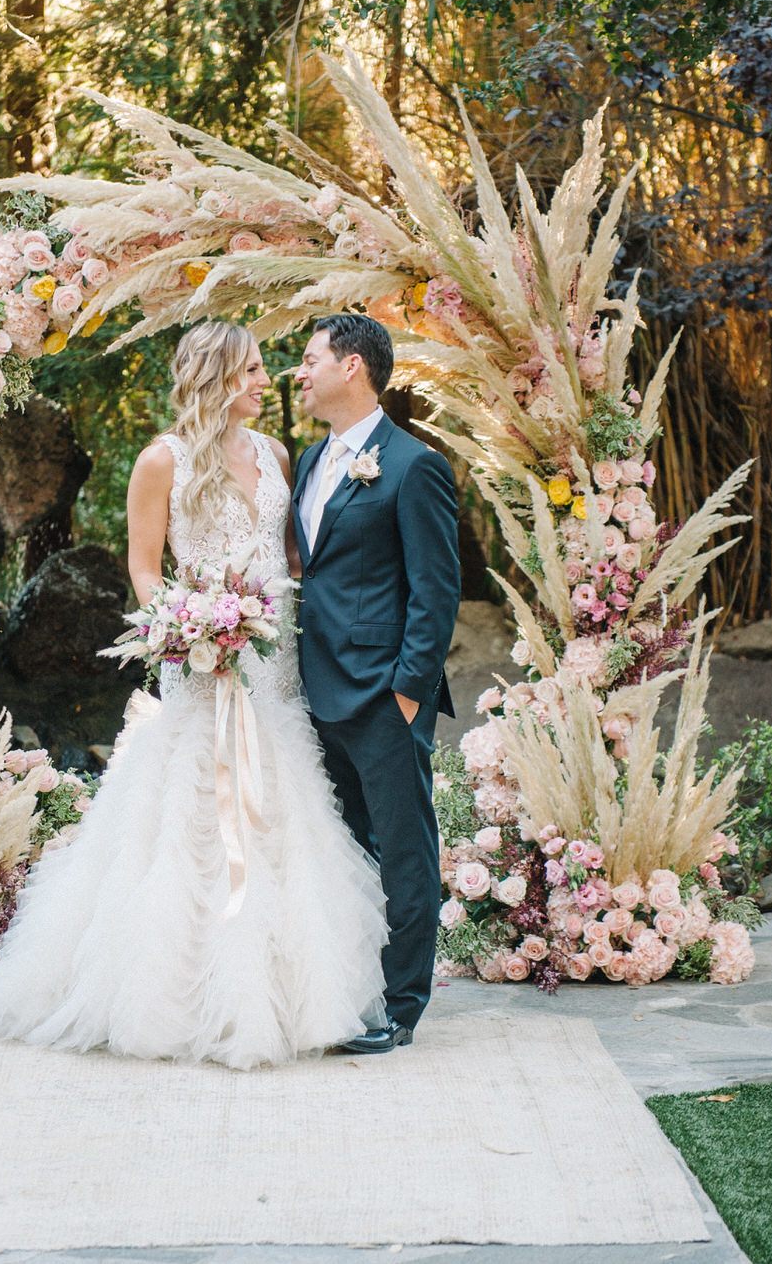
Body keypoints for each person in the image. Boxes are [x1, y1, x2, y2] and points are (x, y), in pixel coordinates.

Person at [0, 320, 388, 1070]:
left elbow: (287, 556)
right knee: (184, 816)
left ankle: (294, 995)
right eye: (253, 369)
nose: (268, 380)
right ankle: (180, 995)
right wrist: (187, 625)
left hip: (272, 661)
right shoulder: (161, 461)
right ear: (219, 376)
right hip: (198, 663)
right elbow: (145, 563)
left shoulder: (277, 454)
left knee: (282, 810)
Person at [293, 314, 460, 1054]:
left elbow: (436, 590)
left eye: (310, 359)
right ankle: (352, 992)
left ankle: (402, 1006)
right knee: (345, 850)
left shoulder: (412, 465)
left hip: (382, 694)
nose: (300, 372)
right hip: (311, 691)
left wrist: (407, 691)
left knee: (402, 848)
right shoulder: (306, 460)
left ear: (353, 365)